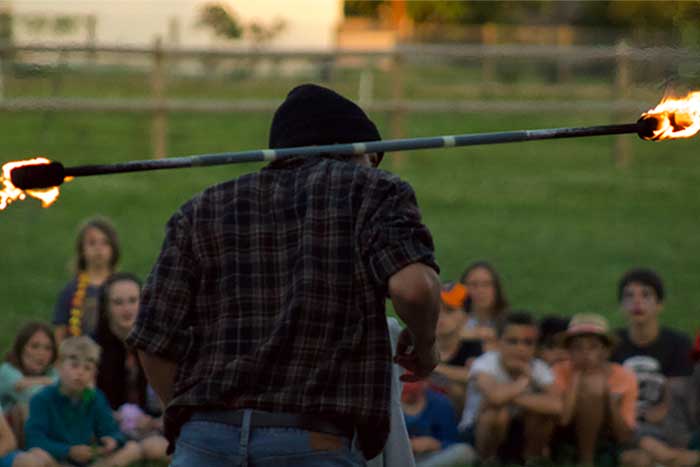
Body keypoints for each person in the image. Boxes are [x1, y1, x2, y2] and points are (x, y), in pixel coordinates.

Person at [126, 83, 442, 466]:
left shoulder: (200, 209)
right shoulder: (375, 192)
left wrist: (191, 420)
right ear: (358, 152)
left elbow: (152, 341)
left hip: (204, 440)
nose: (376, 168)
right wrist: (425, 348)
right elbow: (414, 289)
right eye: (373, 159)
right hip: (314, 441)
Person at [458, 311, 561, 465]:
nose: (520, 348)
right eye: (512, 341)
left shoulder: (538, 367)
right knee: (497, 413)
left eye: (528, 342)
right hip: (477, 432)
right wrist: (524, 381)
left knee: (542, 414)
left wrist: (510, 396)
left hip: (517, 431)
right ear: (498, 342)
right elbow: (495, 397)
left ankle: (532, 459)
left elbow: (558, 405)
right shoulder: (485, 364)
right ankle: (486, 460)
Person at [24, 336, 142, 467]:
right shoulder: (42, 399)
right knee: (36, 455)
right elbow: (34, 440)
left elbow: (111, 430)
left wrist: (113, 440)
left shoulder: (95, 397)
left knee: (133, 448)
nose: (80, 373)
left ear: (94, 373)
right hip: (56, 459)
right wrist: (68, 451)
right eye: (74, 366)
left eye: (87, 368)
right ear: (59, 366)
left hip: (88, 460)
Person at [611, 268, 693, 445]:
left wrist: (653, 416)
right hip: (621, 422)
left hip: (664, 423)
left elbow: (676, 394)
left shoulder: (678, 343)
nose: (637, 302)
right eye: (629, 296)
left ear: (659, 304)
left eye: (646, 295)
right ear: (621, 305)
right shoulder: (612, 343)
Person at [94, 273, 169, 463]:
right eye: (118, 303)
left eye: (133, 300)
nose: (127, 309)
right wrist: (115, 417)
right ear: (106, 308)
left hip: (153, 428)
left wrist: (156, 422)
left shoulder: (158, 344)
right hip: (107, 428)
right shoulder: (94, 347)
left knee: (156, 448)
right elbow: (87, 398)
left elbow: (171, 397)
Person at [551, 313, 638, 467]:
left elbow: (625, 434)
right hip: (566, 435)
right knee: (591, 388)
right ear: (569, 351)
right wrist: (576, 380)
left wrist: (606, 394)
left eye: (593, 346)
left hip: (610, 437)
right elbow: (564, 419)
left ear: (606, 351)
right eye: (577, 347)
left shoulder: (624, 376)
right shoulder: (559, 371)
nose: (585, 353)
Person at [53, 218, 121, 343]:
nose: (98, 248)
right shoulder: (71, 290)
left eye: (105, 243)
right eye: (92, 243)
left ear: (114, 248)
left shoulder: (122, 288)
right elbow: (60, 333)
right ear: (81, 250)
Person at [0, 322, 58, 447]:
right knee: (24, 409)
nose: (41, 354)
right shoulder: (7, 370)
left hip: (48, 431)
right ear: (21, 348)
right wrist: (48, 382)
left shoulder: (52, 372)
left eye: (48, 348)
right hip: (8, 438)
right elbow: (32, 395)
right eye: (34, 346)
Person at [429, 282, 482, 413]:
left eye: (449, 310)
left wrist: (434, 368)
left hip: (461, 416)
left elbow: (477, 375)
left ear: (467, 316)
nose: (440, 315)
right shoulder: (415, 341)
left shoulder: (473, 346)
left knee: (456, 390)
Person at [401, 378, 474, 467]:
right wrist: (409, 445)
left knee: (465, 452)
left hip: (430, 458)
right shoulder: (387, 405)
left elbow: (453, 441)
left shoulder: (440, 403)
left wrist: (435, 444)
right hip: (396, 458)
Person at [459, 261, 509, 351]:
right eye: (473, 285)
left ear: (496, 289)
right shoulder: (454, 319)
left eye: (487, 284)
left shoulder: (508, 321)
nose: (480, 290)